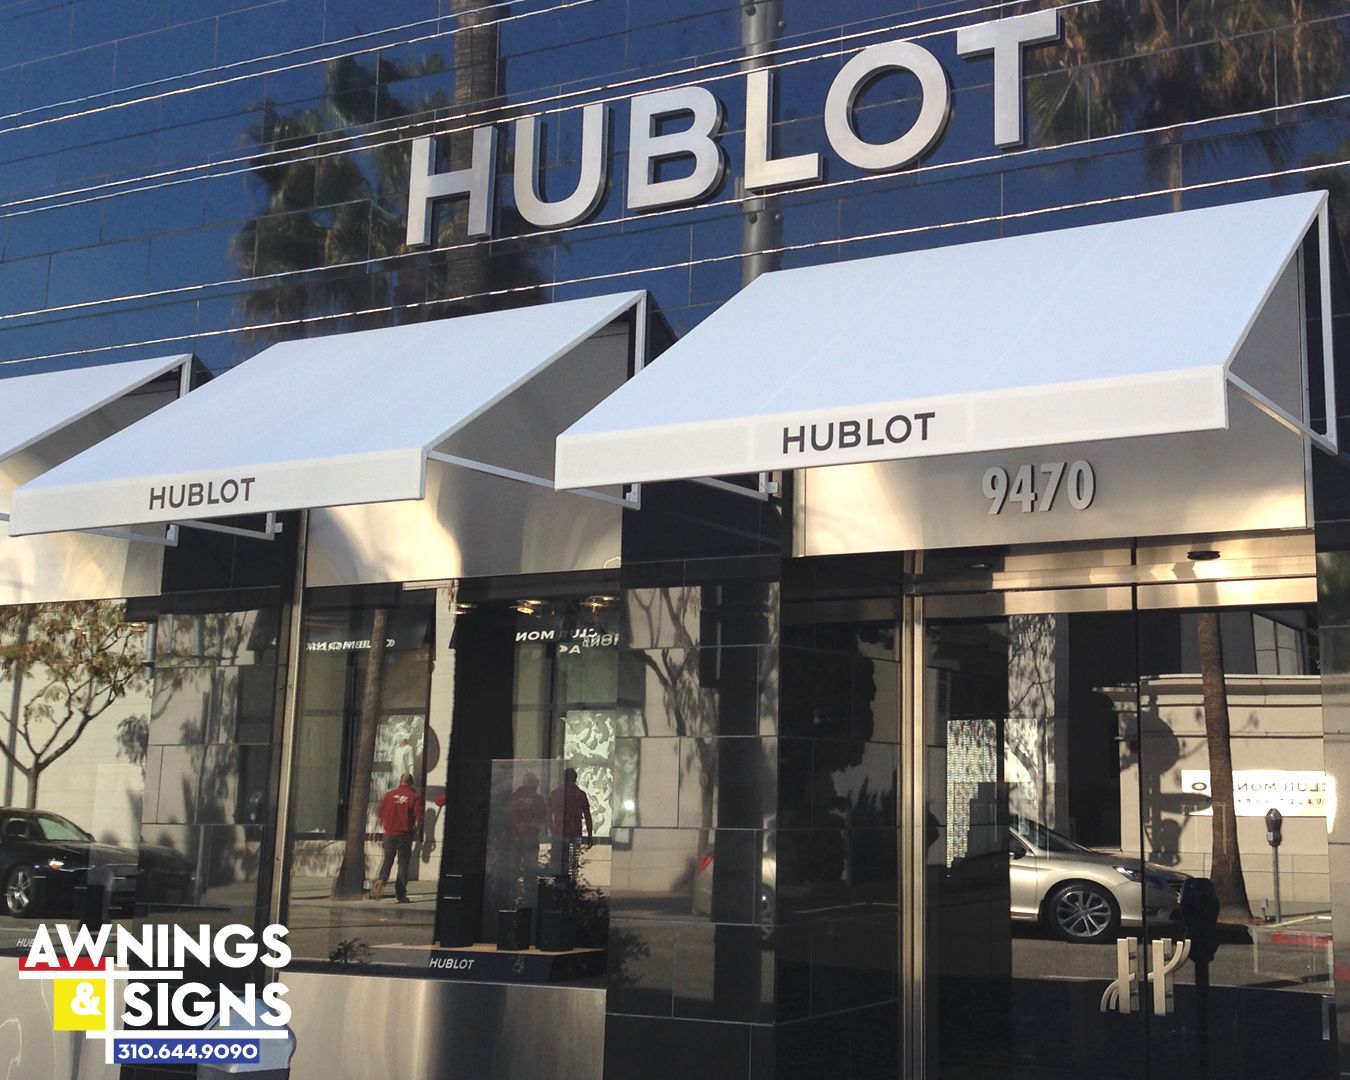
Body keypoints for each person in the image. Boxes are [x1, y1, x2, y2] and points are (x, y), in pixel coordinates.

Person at [371, 773, 423, 902]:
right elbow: (418, 818)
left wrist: (374, 830)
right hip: (404, 835)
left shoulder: (389, 795)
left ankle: (381, 881)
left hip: (389, 834)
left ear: (400, 781)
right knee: (403, 864)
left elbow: (379, 814)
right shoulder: (414, 797)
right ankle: (400, 894)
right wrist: (415, 831)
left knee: (387, 860)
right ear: (411, 783)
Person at [507, 773, 550, 905]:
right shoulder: (538, 799)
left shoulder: (514, 798)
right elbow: (544, 818)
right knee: (528, 869)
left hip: (518, 838)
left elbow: (508, 817)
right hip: (527, 838)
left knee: (516, 868)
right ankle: (525, 895)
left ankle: (514, 895)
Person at [549, 768, 594, 885]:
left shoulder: (556, 794)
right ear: (575, 779)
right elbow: (587, 816)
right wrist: (590, 835)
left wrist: (552, 829)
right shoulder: (580, 794)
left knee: (559, 865)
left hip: (560, 833)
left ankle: (560, 891)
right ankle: (571, 891)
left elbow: (548, 815)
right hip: (574, 833)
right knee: (573, 866)